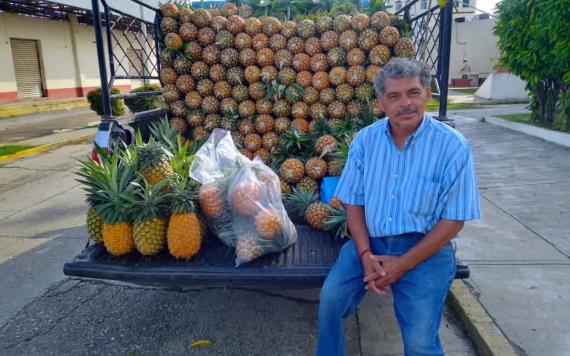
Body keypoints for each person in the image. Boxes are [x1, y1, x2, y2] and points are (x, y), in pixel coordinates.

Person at [316, 58, 481, 356]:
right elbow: (354, 202)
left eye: (413, 93)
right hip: (371, 242)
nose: (405, 103)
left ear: (427, 94)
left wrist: (402, 264)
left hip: (424, 249)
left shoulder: (453, 147)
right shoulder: (365, 141)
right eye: (394, 96)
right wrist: (365, 253)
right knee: (330, 300)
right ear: (381, 101)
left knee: (420, 340)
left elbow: (454, 220)